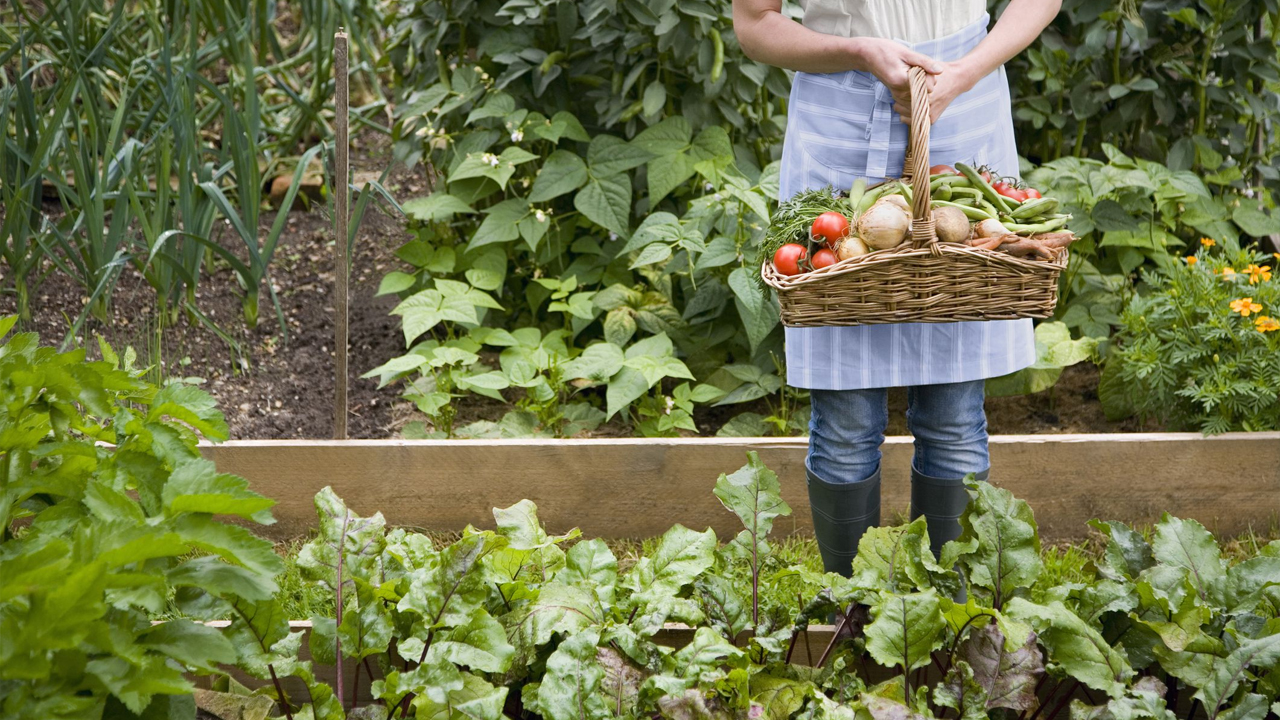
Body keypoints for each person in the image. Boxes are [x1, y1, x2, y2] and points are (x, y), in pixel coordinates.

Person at [732, 0, 1062, 574]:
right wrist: (857, 49)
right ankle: (851, 614)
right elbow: (754, 23)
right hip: (841, 119)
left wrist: (964, 72)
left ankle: (949, 620)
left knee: (956, 413)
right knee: (845, 421)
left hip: (963, 108)